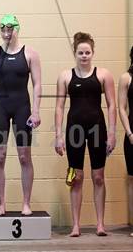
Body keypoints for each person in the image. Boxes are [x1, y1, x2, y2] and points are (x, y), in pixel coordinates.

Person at [55, 32, 116, 237]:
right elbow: (59, 107)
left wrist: (113, 133)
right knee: (76, 177)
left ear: (92, 53)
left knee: (98, 177)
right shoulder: (65, 76)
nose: (84, 56)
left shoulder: (103, 75)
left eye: (87, 52)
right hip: (74, 130)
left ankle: (100, 224)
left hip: (97, 129)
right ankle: (76, 225)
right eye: (80, 52)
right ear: (75, 53)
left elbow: (112, 105)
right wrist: (58, 136)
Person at [0, 15, 41, 216]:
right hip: (0, 107)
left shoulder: (30, 53)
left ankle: (26, 203)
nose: (6, 34)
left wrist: (36, 111)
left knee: (24, 156)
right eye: (3, 30)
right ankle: (1, 203)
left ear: (17, 30)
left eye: (10, 30)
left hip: (22, 107)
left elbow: (37, 84)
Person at [118, 45, 133, 236]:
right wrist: (129, 133)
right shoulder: (126, 78)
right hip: (132, 134)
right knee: (132, 179)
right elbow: (122, 108)